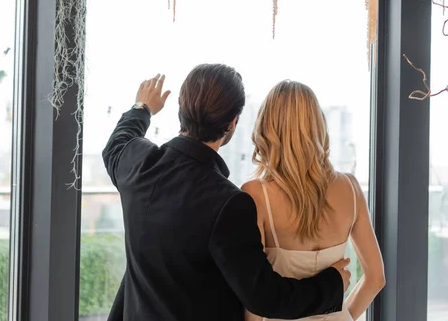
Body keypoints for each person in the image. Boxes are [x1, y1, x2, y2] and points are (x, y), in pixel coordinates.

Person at [103, 65, 351, 321]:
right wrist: (333, 285)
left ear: (181, 108)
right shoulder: (228, 203)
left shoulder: (137, 162)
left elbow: (117, 142)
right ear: (232, 123)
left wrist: (142, 108)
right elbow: (266, 298)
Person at [242, 80, 385, 321]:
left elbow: (254, 298)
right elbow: (376, 277)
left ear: (267, 128)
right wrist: (345, 315)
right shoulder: (350, 188)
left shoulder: (255, 194)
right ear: (319, 125)